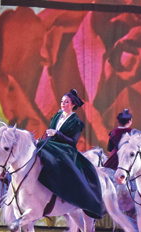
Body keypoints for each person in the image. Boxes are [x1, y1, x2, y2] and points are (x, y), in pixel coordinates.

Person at [36, 89, 103, 219]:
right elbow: (50, 134)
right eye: (62, 101)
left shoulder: (76, 122)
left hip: (66, 149)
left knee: (48, 151)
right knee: (37, 146)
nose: (63, 104)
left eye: (66, 102)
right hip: (53, 145)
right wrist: (44, 139)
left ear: (73, 105)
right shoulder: (56, 116)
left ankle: (58, 187)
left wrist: (57, 134)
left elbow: (72, 142)